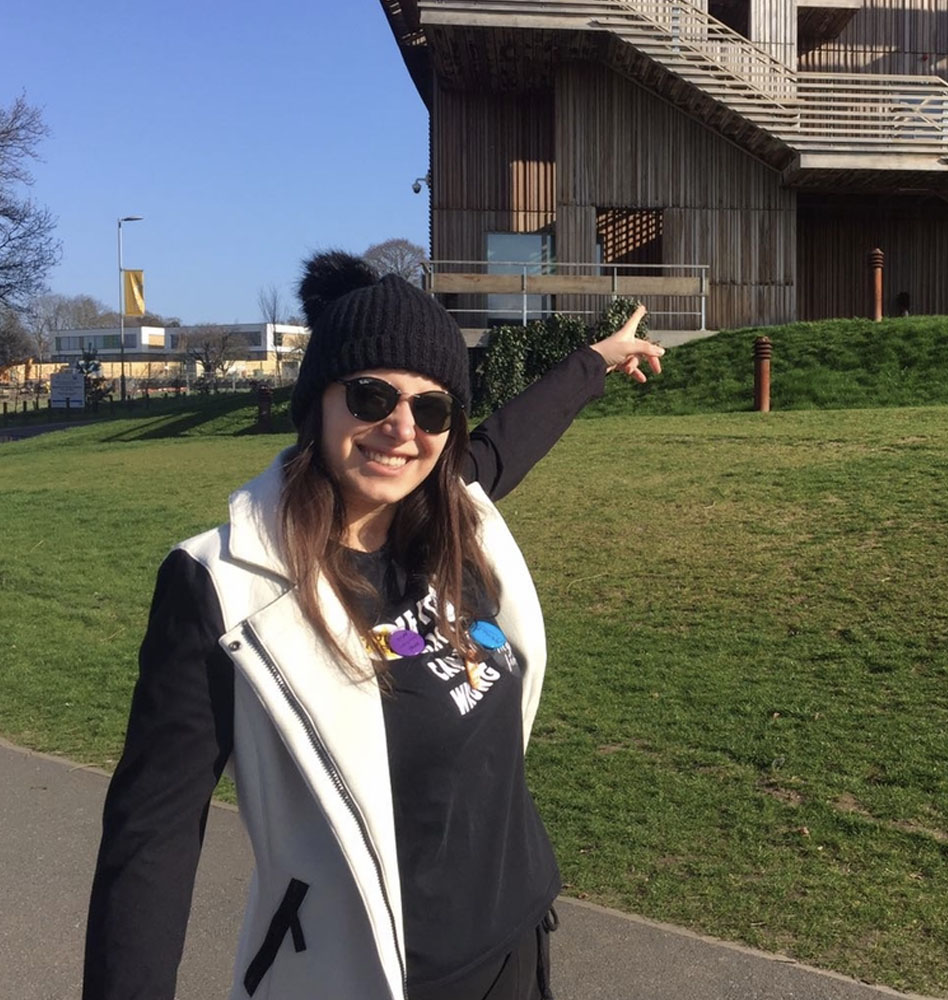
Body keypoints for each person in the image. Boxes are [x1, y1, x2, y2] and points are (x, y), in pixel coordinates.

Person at [83, 251, 663, 1000]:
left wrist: (597, 360)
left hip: (518, 939)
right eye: (370, 396)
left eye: (430, 409)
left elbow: (511, 436)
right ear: (318, 402)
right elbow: (150, 840)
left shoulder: (452, 513)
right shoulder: (219, 589)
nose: (401, 428)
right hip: (381, 977)